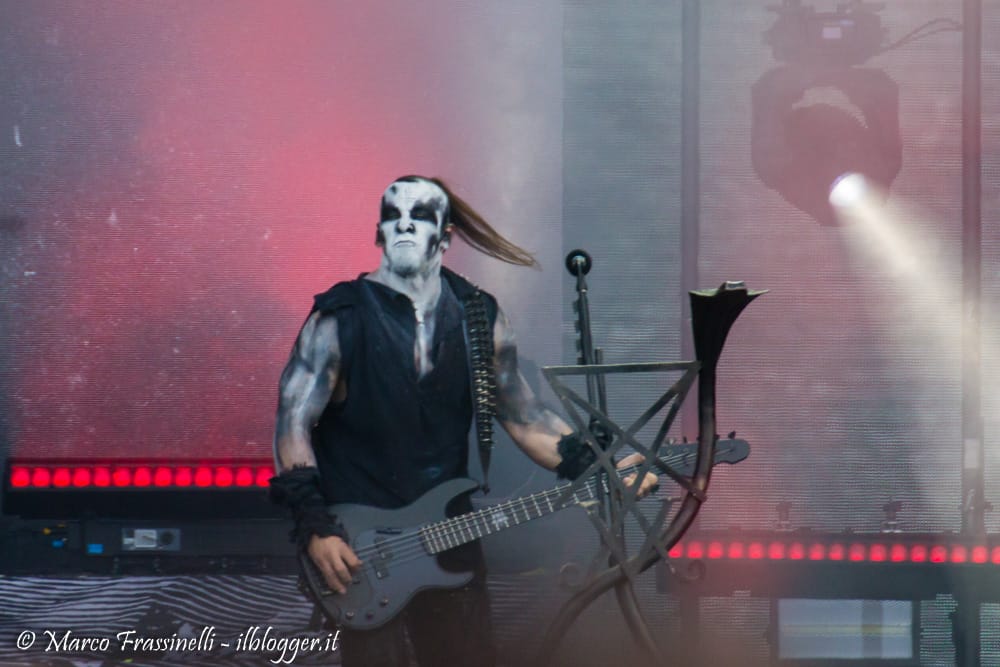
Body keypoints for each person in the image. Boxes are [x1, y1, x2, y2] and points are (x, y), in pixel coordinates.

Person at [269, 175, 656, 667]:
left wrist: (602, 468)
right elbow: (292, 422)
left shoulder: (479, 317)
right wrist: (316, 528)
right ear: (378, 233)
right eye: (393, 216)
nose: (404, 225)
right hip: (360, 544)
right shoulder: (339, 318)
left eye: (420, 216)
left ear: (445, 235)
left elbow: (526, 417)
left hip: (449, 535)